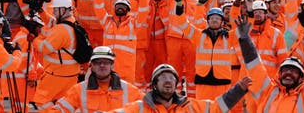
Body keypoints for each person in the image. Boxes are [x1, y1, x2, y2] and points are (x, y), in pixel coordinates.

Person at [235, 14, 304, 111]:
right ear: (279, 74)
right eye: (285, 70)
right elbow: (254, 66)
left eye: (294, 71)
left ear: (301, 78)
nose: (288, 73)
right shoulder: (267, 91)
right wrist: (245, 40)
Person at [105, 63, 250, 113]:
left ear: (176, 84)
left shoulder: (189, 106)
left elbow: (217, 108)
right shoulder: (141, 108)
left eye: (171, 78)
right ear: (154, 84)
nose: (168, 81)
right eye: (163, 78)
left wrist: (237, 91)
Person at [54, 46, 143, 112]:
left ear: (112, 65)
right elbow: (59, 110)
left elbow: (150, 105)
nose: (102, 65)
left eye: (106, 62)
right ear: (91, 66)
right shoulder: (79, 90)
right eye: (97, 62)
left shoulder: (128, 90)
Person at [34, 0, 81, 112]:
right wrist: (41, 12)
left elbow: (45, 47)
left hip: (57, 74)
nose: (54, 13)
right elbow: (52, 21)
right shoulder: (72, 22)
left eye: (55, 10)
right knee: (64, 104)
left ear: (63, 10)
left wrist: (35, 37)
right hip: (70, 74)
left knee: (41, 100)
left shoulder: (61, 30)